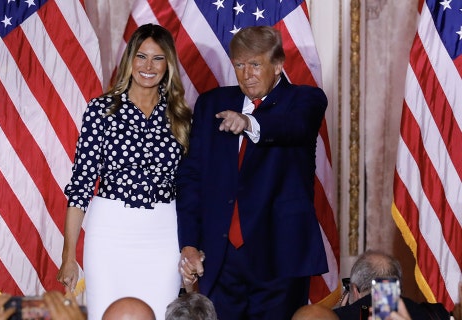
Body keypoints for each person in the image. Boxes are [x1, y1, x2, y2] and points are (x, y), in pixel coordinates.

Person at [175, 25, 328, 319]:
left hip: (278, 259)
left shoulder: (305, 101)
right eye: (239, 65)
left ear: (279, 65)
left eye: (255, 64)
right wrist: (190, 243)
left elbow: (293, 128)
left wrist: (249, 123)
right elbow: (191, 178)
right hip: (219, 259)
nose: (247, 74)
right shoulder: (211, 105)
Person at [57, 23, 192, 320]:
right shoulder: (101, 111)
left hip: (164, 233)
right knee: (105, 313)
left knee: (160, 313)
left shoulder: (180, 115)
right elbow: (81, 186)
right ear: (129, 60)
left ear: (168, 64)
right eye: (141, 56)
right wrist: (68, 256)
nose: (148, 66)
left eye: (158, 58)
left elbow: (190, 188)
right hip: (110, 230)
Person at [333, 250, 450, 320]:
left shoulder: (335, 316)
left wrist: (339, 314)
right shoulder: (436, 314)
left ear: (354, 290)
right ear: (398, 287)